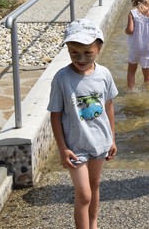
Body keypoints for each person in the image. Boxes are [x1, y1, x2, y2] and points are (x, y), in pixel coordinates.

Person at [47, 19, 118, 229]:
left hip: (100, 141)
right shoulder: (62, 79)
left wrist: (112, 139)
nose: (81, 58)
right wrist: (62, 148)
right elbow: (55, 115)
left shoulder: (104, 74)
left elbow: (108, 106)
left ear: (98, 48)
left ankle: (93, 223)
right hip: (75, 146)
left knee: (94, 185)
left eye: (88, 52)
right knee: (84, 193)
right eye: (74, 53)